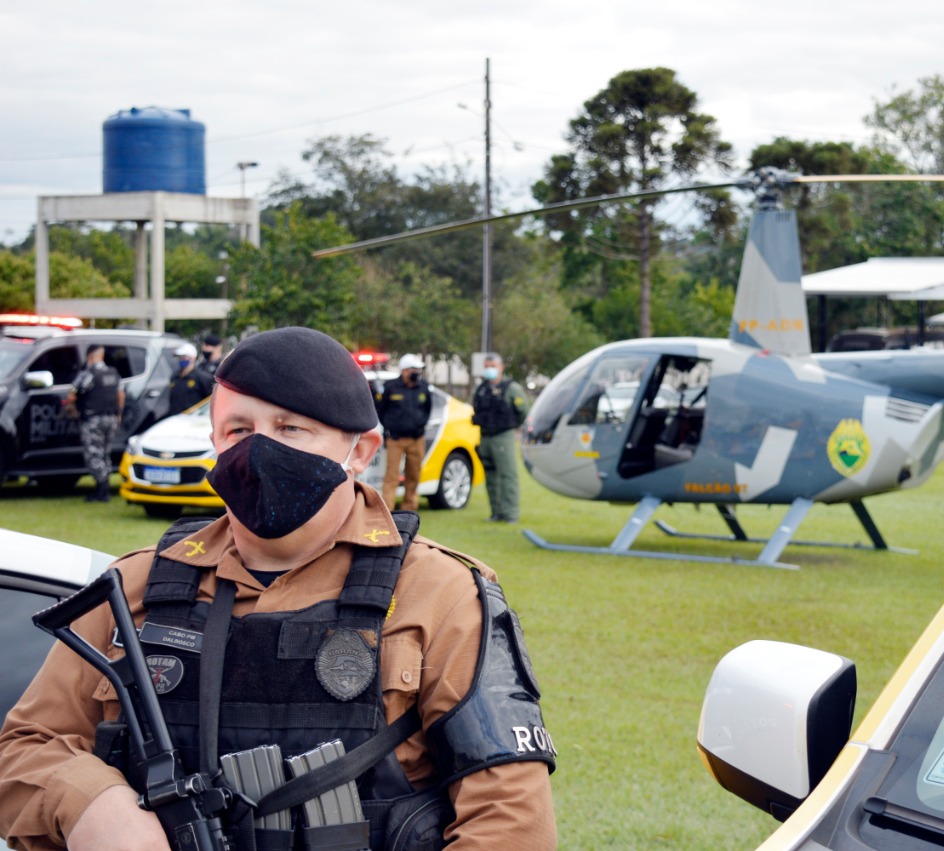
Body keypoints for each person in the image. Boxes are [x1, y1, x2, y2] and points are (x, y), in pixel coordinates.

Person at [0, 328, 557, 851]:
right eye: (239, 430)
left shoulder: (441, 593)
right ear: (216, 440)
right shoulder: (136, 588)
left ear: (360, 451)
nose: (259, 450)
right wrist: (92, 803)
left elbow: (508, 815)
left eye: (291, 428)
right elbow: (25, 749)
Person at [471, 353, 528, 523]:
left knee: (508, 475)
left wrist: (512, 427)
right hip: (485, 436)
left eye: (493, 366)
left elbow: (523, 411)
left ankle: (510, 513)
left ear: (501, 367)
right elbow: (475, 408)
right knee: (491, 476)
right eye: (487, 366)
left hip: (503, 436)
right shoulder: (480, 389)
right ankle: (496, 512)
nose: (489, 369)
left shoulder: (511, 388)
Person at [66, 344, 124, 503]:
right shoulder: (113, 373)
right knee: (105, 453)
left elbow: (72, 395)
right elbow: (121, 394)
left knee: (93, 454)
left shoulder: (88, 374)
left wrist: (71, 408)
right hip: (111, 418)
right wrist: (119, 414)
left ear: (90, 356)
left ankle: (102, 490)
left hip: (93, 419)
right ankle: (105, 487)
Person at [375, 353, 433, 510]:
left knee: (414, 475)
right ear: (404, 370)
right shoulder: (391, 387)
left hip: (416, 438)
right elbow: (381, 410)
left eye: (418, 369)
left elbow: (428, 409)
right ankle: (388, 509)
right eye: (414, 369)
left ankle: (409, 508)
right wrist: (390, 427)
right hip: (396, 438)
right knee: (391, 476)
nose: (417, 372)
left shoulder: (423, 387)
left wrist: (420, 425)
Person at [166, 342, 213, 416]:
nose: (181, 359)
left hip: (192, 419)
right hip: (175, 417)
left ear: (193, 358)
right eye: (180, 357)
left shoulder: (202, 377)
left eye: (184, 357)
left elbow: (210, 400)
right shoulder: (175, 376)